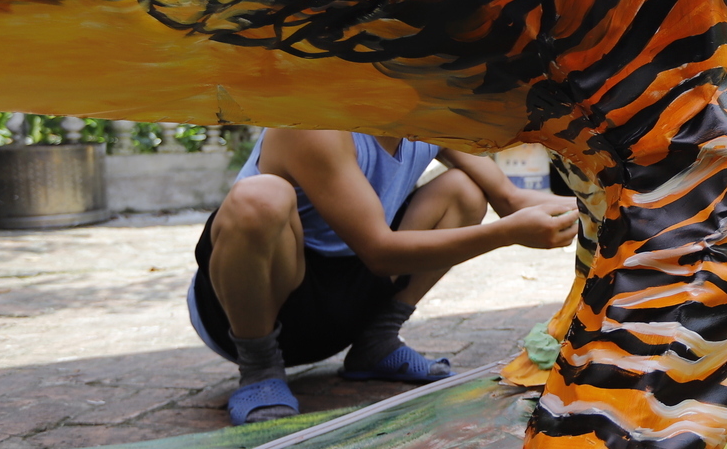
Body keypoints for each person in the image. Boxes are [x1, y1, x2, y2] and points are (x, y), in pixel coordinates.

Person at [188, 129, 578, 424]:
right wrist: (507, 234)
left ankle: (377, 342)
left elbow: (510, 199)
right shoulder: (312, 122)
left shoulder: (425, 116)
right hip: (253, 303)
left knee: (465, 190)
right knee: (259, 198)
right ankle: (258, 366)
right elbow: (379, 252)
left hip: (350, 302)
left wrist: (610, 204)